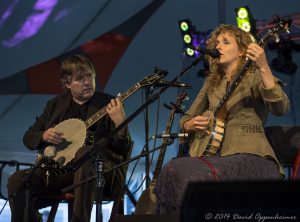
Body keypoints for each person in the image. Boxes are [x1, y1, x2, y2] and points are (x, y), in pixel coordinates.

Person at [155, 24, 290, 215]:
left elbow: (281, 107)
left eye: (226, 42)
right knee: (172, 171)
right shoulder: (211, 83)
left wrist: (264, 66)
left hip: (251, 158)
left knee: (178, 169)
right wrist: (189, 124)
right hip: (213, 158)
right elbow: (187, 116)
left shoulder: (255, 76)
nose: (218, 46)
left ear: (242, 50)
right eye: (217, 42)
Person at [7, 55, 131, 222]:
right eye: (79, 78)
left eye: (90, 76)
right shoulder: (55, 106)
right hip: (60, 173)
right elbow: (29, 138)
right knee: (17, 181)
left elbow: (121, 150)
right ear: (67, 84)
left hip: (100, 173)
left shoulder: (108, 104)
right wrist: (43, 135)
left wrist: (120, 124)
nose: (87, 82)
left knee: (85, 154)